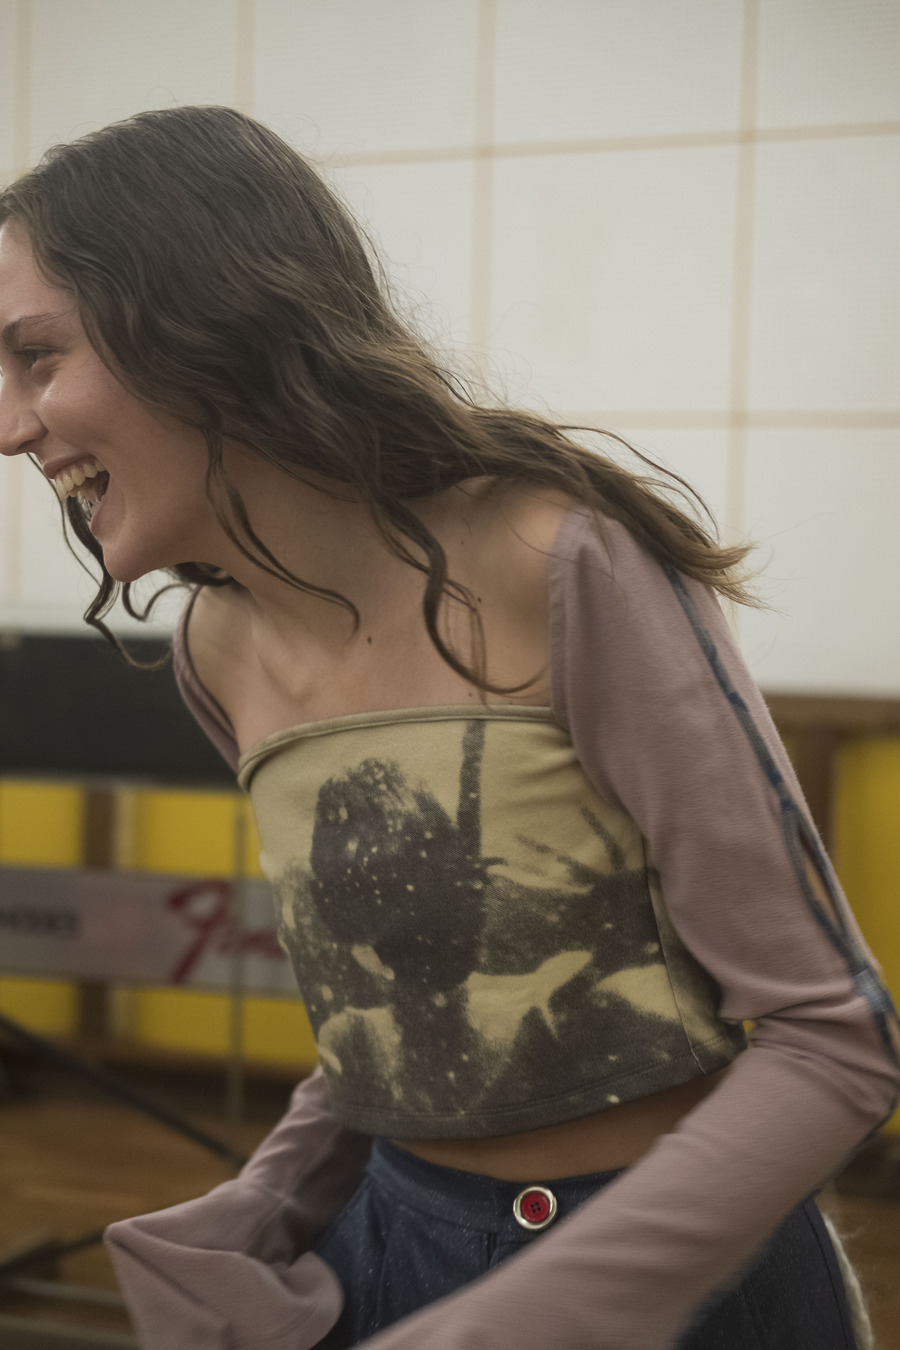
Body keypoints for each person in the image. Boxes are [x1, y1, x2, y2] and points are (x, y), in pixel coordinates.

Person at [0, 106, 896, 1350]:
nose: (10, 425)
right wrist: (269, 1200)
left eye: (37, 357)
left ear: (200, 322)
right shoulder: (217, 651)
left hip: (673, 1284)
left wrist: (522, 1319)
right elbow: (407, 1015)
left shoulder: (557, 558)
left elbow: (834, 1043)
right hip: (393, 1251)